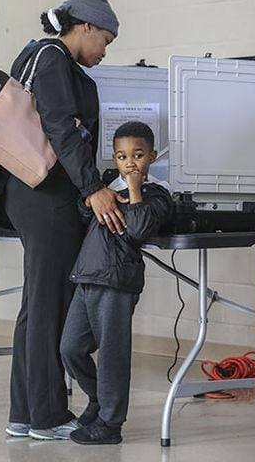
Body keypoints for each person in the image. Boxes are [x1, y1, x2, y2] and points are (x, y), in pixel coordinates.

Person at [0, 0, 124, 439]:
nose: (105, 50)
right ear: (86, 28)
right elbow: (60, 128)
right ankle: (48, 417)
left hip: (34, 193)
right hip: (44, 195)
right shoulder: (53, 56)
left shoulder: (43, 57)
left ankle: (25, 414)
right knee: (48, 306)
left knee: (37, 307)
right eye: (106, 40)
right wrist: (94, 188)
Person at [61, 121, 173, 444]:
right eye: (123, 157)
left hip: (116, 282)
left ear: (151, 156)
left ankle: (110, 424)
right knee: (70, 348)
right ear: (114, 159)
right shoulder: (108, 189)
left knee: (111, 354)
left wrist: (135, 189)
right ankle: (98, 399)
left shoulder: (157, 195)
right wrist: (90, 200)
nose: (130, 163)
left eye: (138, 155)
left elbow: (138, 230)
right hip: (86, 277)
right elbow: (82, 216)